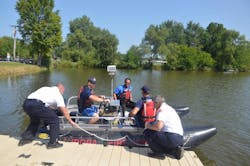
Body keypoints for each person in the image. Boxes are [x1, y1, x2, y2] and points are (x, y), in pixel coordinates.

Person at [18, 83, 78, 149]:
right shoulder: (57, 94)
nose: (62, 93)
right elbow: (63, 110)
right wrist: (71, 121)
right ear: (61, 89)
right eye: (63, 92)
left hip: (26, 103)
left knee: (35, 121)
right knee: (54, 120)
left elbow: (47, 105)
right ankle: (53, 143)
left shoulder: (45, 88)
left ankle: (26, 139)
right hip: (37, 104)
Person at [143, 95, 184, 160]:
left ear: (157, 103)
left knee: (147, 132)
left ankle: (158, 153)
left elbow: (158, 127)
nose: (153, 105)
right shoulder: (169, 108)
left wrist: (147, 125)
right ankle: (174, 151)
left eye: (154, 103)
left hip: (172, 137)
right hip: (179, 138)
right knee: (158, 134)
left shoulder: (162, 111)